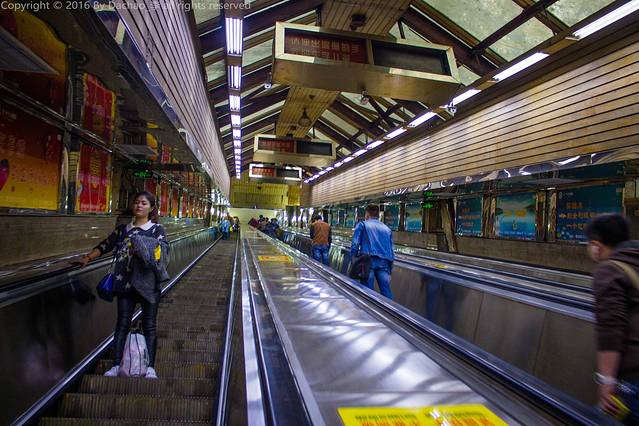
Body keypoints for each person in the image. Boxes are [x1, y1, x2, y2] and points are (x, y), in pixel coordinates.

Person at [77, 191, 169, 379]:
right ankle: (116, 365)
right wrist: (87, 258)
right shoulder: (122, 229)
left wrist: (142, 250)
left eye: (144, 203)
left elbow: (161, 254)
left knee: (149, 326)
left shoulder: (157, 230)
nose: (139, 205)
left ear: (151, 208)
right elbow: (105, 245)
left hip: (148, 285)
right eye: (136, 202)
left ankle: (150, 367)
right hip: (124, 284)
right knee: (122, 325)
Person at [586, 214, 639, 424]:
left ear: (597, 245)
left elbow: (611, 327)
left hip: (633, 379)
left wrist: (607, 380)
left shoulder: (609, 270)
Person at [350, 204, 394, 299]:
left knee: (367, 291)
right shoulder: (387, 229)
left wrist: (353, 260)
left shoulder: (362, 225)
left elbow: (355, 244)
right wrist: (390, 267)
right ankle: (389, 307)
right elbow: (391, 250)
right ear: (378, 215)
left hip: (367, 261)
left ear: (367, 214)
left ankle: (368, 308)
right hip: (384, 262)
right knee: (386, 290)